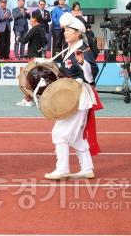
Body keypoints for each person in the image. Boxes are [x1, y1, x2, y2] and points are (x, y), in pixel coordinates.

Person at [45, 12, 103, 180]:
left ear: (78, 32)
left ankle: (62, 169)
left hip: (78, 95)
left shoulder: (83, 49)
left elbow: (91, 76)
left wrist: (83, 63)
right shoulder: (69, 49)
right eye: (64, 31)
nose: (65, 33)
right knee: (76, 137)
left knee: (60, 134)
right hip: (71, 95)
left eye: (68, 30)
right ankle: (87, 169)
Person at [15, 12, 48, 107]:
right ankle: (31, 98)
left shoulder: (35, 29)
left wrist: (18, 38)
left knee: (29, 79)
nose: (30, 20)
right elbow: (45, 41)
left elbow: (25, 40)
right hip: (38, 56)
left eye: (31, 18)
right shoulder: (41, 28)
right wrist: (39, 47)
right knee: (35, 79)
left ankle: (28, 100)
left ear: (34, 19)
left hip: (33, 57)